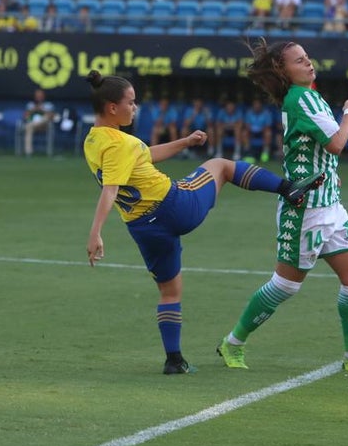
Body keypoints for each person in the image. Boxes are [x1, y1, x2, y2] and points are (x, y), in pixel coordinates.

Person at [83, 69, 329, 374]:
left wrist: (184, 142)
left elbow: (143, 156)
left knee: (169, 292)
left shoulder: (95, 141)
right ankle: (288, 188)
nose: (135, 107)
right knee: (221, 166)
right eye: (131, 102)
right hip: (174, 206)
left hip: (144, 228)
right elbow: (111, 188)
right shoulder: (121, 143)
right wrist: (95, 233)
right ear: (112, 107)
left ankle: (174, 360)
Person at [215, 41, 348, 373]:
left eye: (308, 58)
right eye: (300, 61)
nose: (309, 63)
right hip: (305, 210)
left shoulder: (306, 96)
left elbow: (315, 150)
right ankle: (233, 343)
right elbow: (337, 143)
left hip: (329, 204)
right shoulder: (301, 99)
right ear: (284, 70)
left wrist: (328, 175)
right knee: (285, 285)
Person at [21, 88, 54, 157]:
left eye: (40, 95)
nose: (39, 97)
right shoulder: (30, 105)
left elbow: (52, 116)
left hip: (44, 126)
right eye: (37, 96)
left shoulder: (48, 105)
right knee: (29, 128)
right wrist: (34, 109)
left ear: (43, 96)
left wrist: (42, 109)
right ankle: (28, 153)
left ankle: (31, 124)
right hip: (33, 126)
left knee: (46, 117)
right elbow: (25, 116)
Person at [242, 97, 275, 163]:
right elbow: (247, 125)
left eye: (258, 104)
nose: (257, 106)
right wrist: (252, 129)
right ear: (253, 105)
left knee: (268, 133)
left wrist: (260, 129)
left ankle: (265, 153)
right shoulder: (249, 112)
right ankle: (248, 153)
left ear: (261, 105)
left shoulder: (266, 113)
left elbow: (268, 126)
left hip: (262, 131)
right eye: (255, 104)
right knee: (244, 133)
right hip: (251, 132)